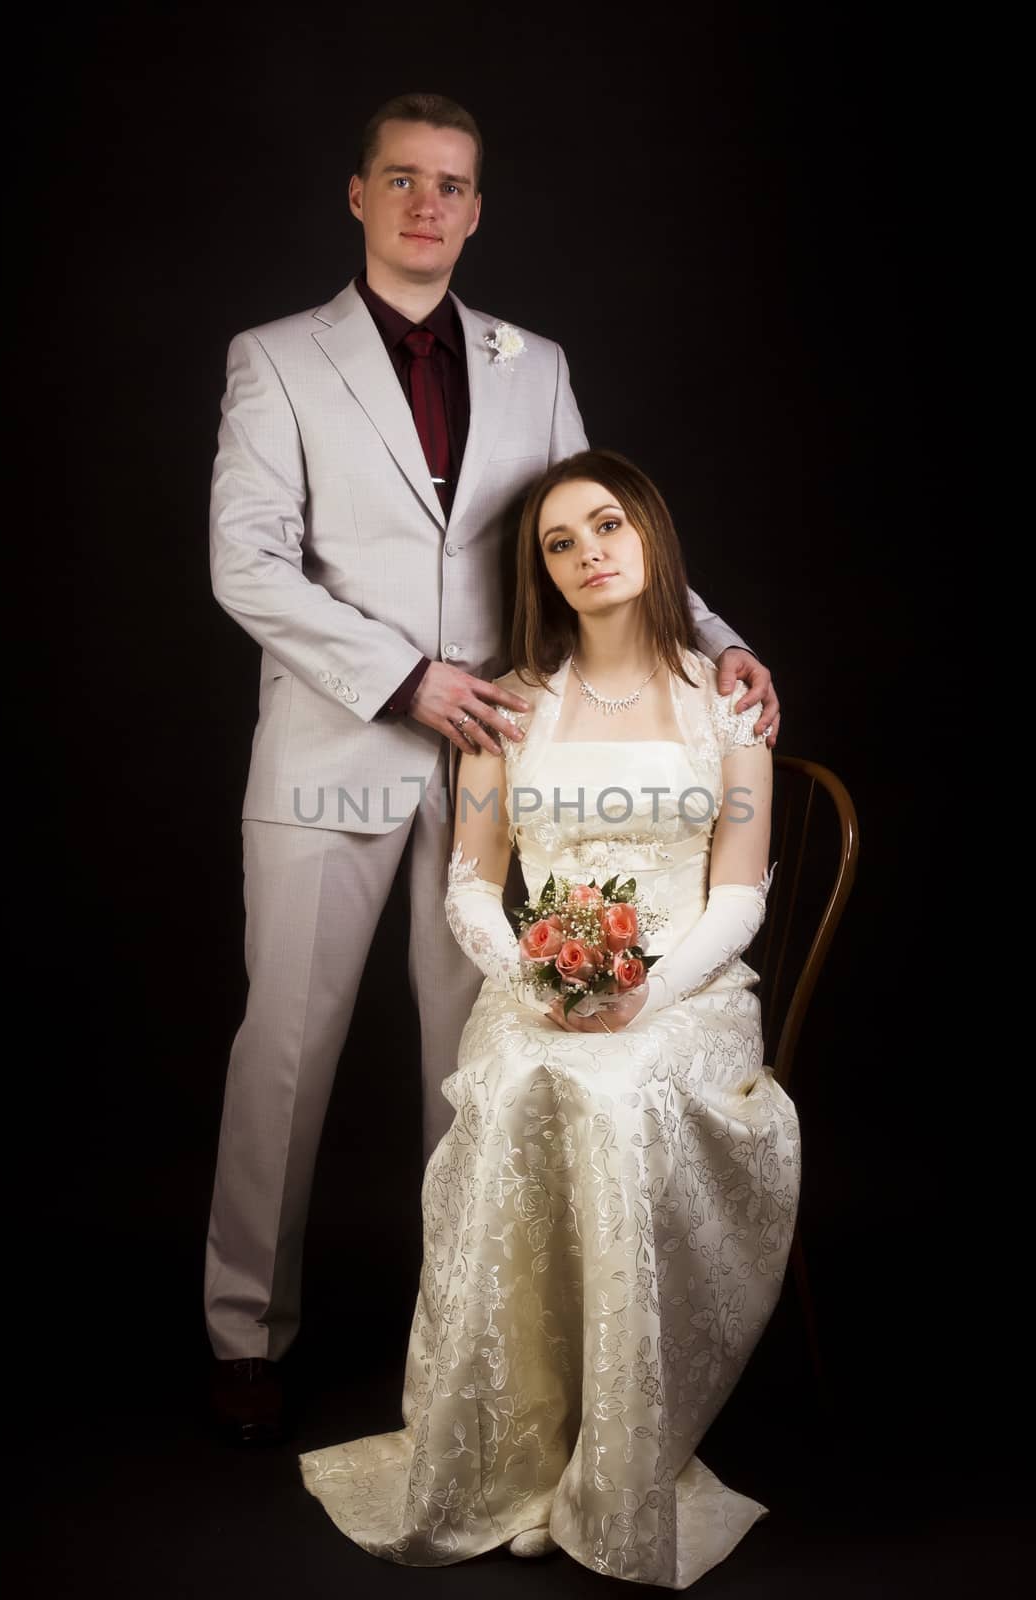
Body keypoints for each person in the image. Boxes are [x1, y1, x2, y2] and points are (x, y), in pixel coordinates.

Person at [205, 92, 781, 1444]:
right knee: (285, 1050)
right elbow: (245, 562)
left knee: (472, 1056)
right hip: (340, 751)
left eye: (451, 185)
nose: (426, 204)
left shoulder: (534, 361)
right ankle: (243, 1334)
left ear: (475, 207)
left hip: (503, 763)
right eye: (400, 180)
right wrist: (407, 681)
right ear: (357, 196)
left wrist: (722, 639)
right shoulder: (275, 356)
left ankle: (460, 1325)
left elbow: (598, 524)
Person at [298, 449, 798, 1589]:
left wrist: (640, 991)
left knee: (616, 1089)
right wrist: (535, 978)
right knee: (527, 1078)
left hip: (686, 988)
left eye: (606, 525)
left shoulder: (727, 700)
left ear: (652, 535)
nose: (586, 555)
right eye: (558, 544)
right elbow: (471, 884)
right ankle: (518, 1452)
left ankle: (612, 1470)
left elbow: (737, 896)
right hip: (541, 981)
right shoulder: (511, 705)